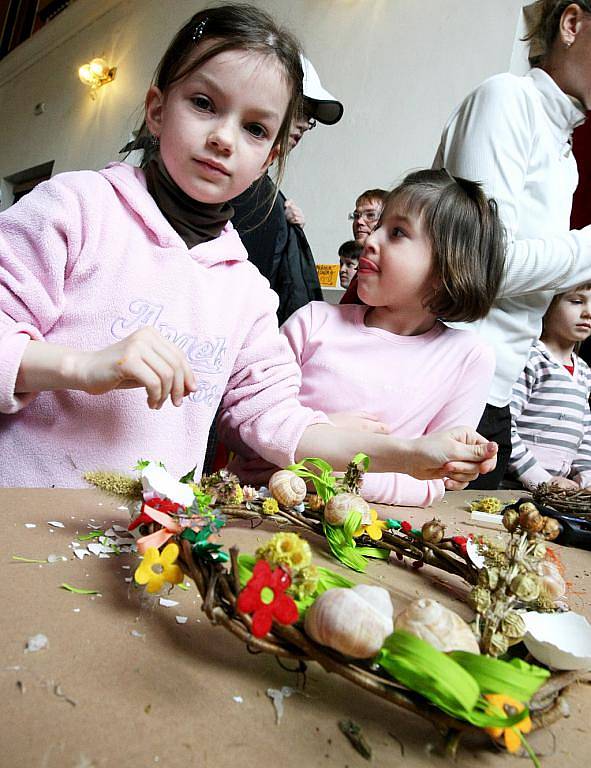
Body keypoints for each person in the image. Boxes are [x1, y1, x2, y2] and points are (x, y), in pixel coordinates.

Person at [0, 5, 497, 489]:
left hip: (149, 549)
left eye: (255, 129)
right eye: (203, 103)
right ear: (156, 109)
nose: (223, 138)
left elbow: (278, 422)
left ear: (268, 158)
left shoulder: (247, 291)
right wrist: (82, 366)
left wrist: (411, 455)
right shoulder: (75, 207)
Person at [224, 170, 504, 508]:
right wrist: (325, 430)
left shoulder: (468, 358)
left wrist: (306, 468)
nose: (370, 239)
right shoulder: (313, 322)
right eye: (378, 225)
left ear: (447, 270)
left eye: (398, 232)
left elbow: (433, 481)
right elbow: (238, 424)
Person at [433, 0, 591, 489]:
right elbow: (480, 266)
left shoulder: (565, 158)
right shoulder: (506, 98)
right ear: (571, 23)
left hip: (496, 395)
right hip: (445, 384)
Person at [231, 55, 343, 325]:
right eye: (301, 109)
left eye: (310, 118)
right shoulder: (222, 183)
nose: (305, 124)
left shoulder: (269, 196)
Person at [508, 284, 591, 490]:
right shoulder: (531, 358)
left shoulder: (584, 371)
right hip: (516, 486)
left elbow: (585, 433)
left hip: (558, 492)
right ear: (546, 304)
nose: (588, 312)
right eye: (577, 301)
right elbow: (504, 427)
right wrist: (542, 480)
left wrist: (586, 477)